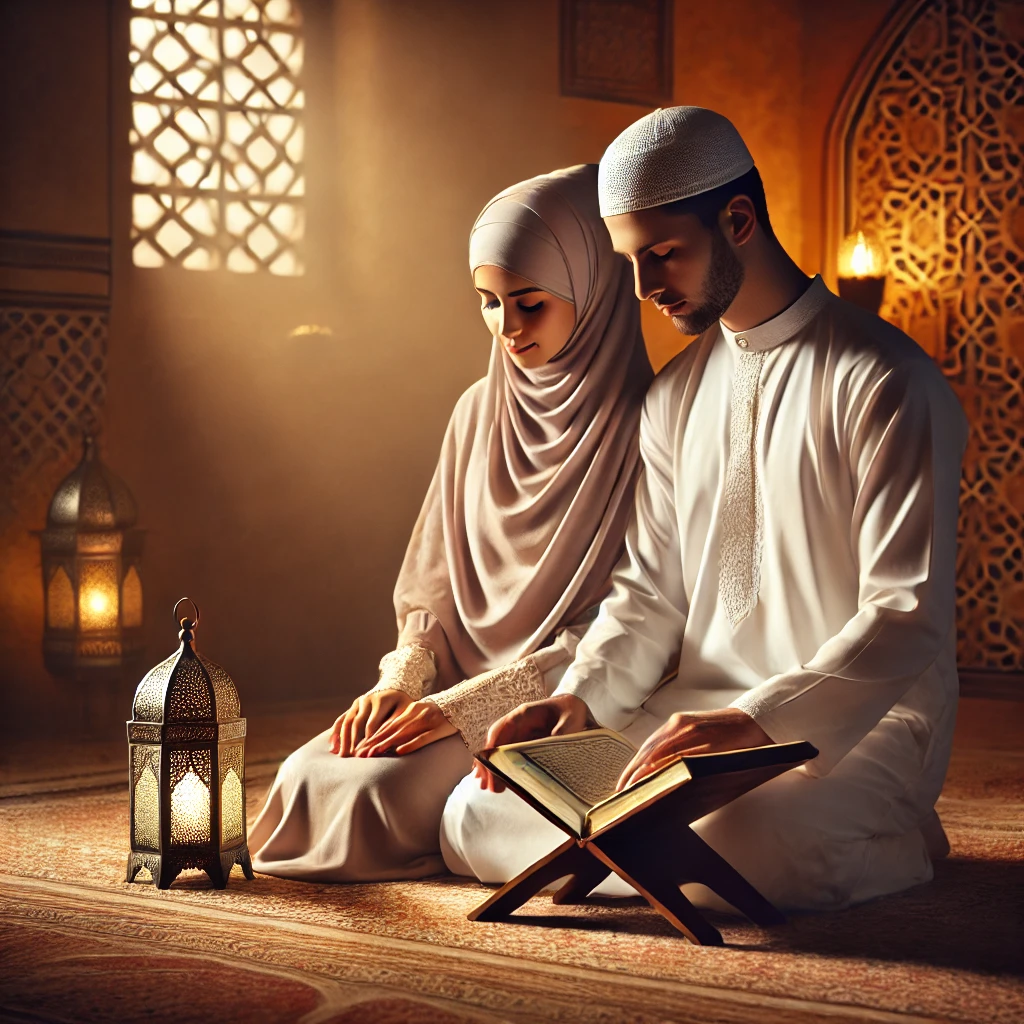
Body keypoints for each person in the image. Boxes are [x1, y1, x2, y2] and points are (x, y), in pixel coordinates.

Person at [441, 107, 967, 912]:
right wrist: (579, 699)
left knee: (757, 841)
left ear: (738, 218)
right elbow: (650, 592)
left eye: (665, 254)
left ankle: (896, 831)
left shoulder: (888, 381)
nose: (647, 286)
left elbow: (905, 613)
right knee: (477, 812)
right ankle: (649, 850)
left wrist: (759, 719)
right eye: (632, 261)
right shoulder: (676, 396)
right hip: (686, 723)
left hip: (846, 725)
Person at [248, 164, 653, 881]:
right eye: (489, 304)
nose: (509, 329)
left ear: (594, 293)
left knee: (374, 793)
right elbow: (429, 592)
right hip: (443, 685)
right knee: (308, 776)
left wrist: (465, 709)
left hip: (563, 699)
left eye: (530, 303)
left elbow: (630, 623)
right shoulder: (476, 411)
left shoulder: (650, 427)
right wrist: (402, 682)